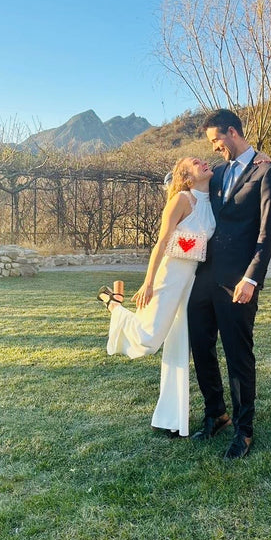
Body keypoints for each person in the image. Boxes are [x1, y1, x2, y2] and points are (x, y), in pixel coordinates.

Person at [188, 109, 271, 460]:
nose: (215, 148)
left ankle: (244, 430)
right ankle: (217, 414)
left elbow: (267, 234)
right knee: (201, 347)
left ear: (232, 132)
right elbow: (181, 183)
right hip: (204, 278)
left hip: (238, 282)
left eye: (216, 141)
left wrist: (252, 278)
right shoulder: (219, 173)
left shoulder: (267, 171)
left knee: (238, 355)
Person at [98, 156, 215, 438]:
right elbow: (161, 242)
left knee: (178, 347)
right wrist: (148, 282)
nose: (205, 162)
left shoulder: (212, 200)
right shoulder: (181, 200)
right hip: (169, 277)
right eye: (197, 162)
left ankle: (170, 419)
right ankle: (113, 303)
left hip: (191, 283)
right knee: (149, 339)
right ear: (187, 178)